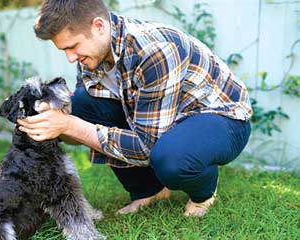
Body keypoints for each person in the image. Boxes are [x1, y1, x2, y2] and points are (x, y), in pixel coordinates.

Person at [18, 0, 252, 217]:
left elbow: (145, 146)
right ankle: (148, 189)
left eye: (73, 46)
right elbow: (84, 118)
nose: (70, 58)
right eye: (64, 51)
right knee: (80, 105)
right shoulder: (92, 53)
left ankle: (204, 193)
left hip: (221, 117)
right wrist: (57, 117)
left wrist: (70, 125)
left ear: (98, 26)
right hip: (161, 118)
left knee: (171, 159)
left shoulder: (154, 50)